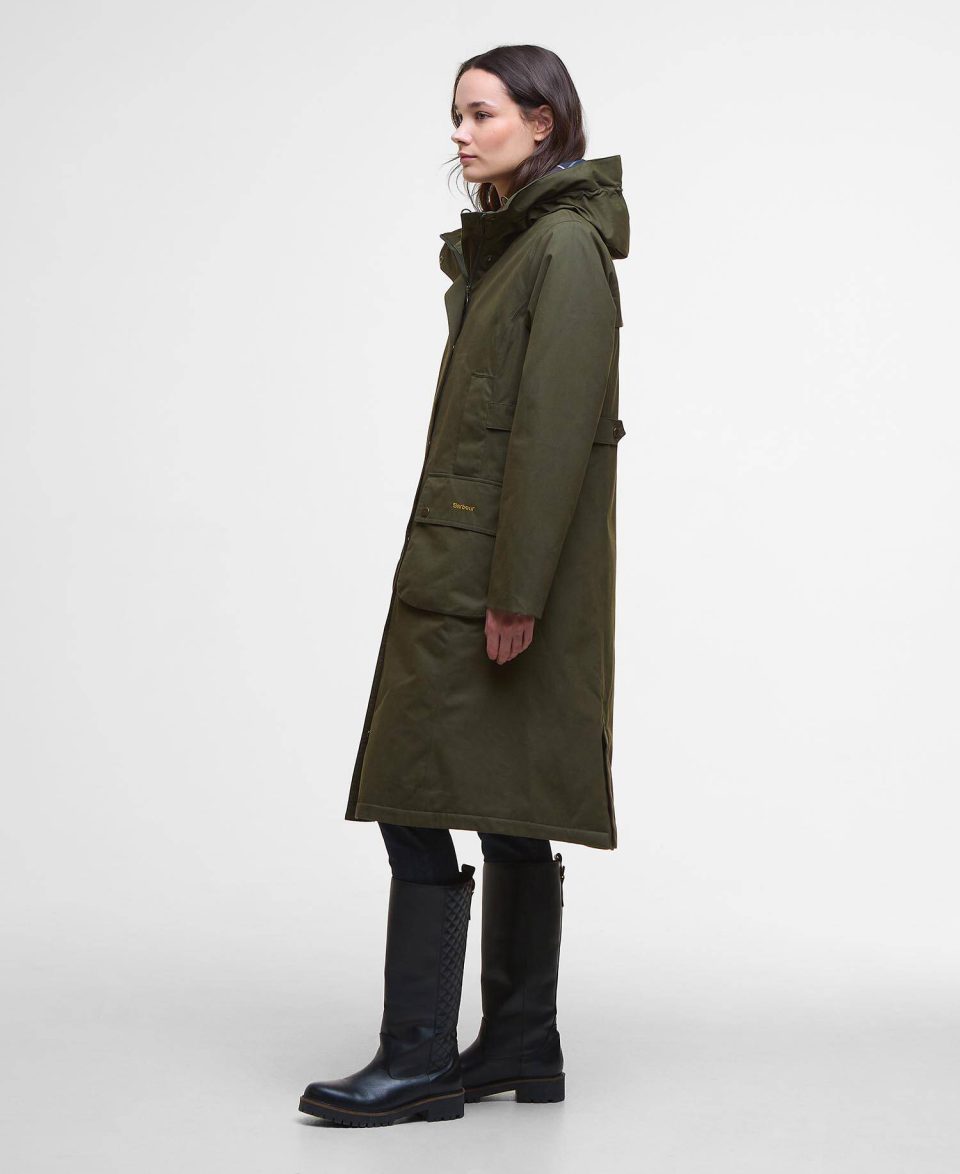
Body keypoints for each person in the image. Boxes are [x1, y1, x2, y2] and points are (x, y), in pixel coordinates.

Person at [298, 43, 629, 1127]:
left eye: (482, 112)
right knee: (498, 798)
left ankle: (419, 1057)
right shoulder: (517, 245)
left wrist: (517, 591)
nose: (460, 132)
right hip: (472, 563)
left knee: (422, 792)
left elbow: (553, 434)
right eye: (457, 113)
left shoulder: (561, 248)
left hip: (491, 578)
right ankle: (523, 1041)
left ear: (542, 123)